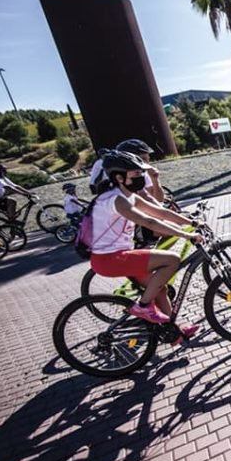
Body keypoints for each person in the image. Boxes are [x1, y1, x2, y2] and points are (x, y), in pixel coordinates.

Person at [88, 150, 203, 338]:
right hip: (110, 259)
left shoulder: (127, 196)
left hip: (120, 255)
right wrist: (185, 234)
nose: (141, 178)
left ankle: (173, 331)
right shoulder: (115, 200)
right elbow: (149, 222)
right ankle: (142, 307)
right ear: (120, 177)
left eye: (141, 174)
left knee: (160, 288)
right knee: (172, 259)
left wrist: (191, 222)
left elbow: (159, 212)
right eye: (136, 175)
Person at [114, 139, 165, 203]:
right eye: (143, 159)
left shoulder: (142, 173)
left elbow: (159, 199)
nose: (147, 163)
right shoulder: (116, 178)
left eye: (147, 159)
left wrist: (155, 180)